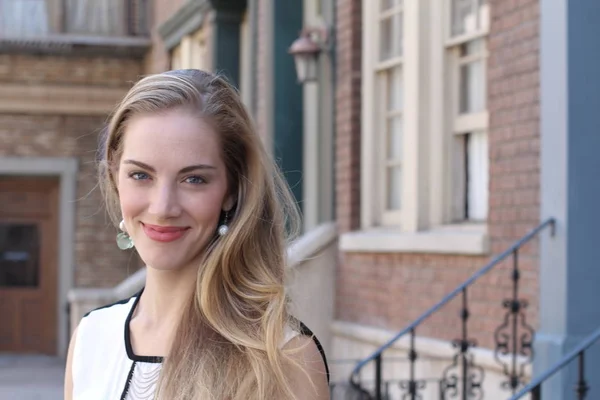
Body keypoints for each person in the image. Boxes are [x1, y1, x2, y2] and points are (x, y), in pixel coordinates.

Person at [64, 69, 330, 400]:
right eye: (140, 175)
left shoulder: (284, 358)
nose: (162, 207)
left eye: (194, 179)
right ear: (116, 179)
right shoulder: (91, 338)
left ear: (231, 191)